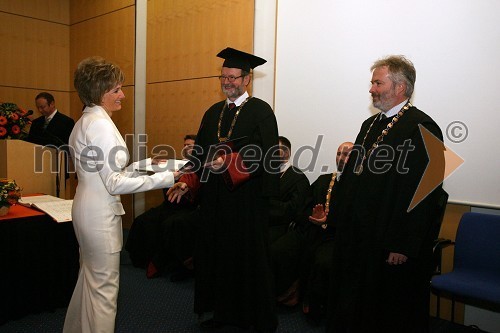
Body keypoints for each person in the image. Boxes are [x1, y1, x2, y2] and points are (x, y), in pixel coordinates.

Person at [63, 56, 183, 333]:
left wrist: (147, 166)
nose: (123, 95)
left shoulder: (86, 121)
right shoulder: (101, 125)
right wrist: (168, 178)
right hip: (99, 216)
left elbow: (108, 172)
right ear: (99, 91)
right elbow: (114, 184)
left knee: (89, 281)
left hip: (86, 208)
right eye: (116, 89)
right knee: (104, 291)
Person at [327, 55, 445, 333]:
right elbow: (353, 176)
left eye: (377, 83)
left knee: (387, 314)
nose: (371, 89)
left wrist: (403, 244)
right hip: (358, 239)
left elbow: (426, 194)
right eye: (372, 83)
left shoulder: (424, 128)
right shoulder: (369, 126)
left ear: (400, 87)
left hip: (389, 242)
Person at [167, 47, 280, 332]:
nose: (227, 82)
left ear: (247, 79)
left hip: (247, 203)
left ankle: (254, 319)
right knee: (217, 257)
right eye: (223, 77)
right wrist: (186, 180)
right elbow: (199, 155)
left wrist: (228, 162)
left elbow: (266, 155)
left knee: (247, 260)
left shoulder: (261, 112)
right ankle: (222, 314)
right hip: (216, 201)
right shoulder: (213, 112)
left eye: (233, 77)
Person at [271, 142, 352, 323]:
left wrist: (329, 220)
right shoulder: (324, 180)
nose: (342, 158)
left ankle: (316, 308)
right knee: (279, 250)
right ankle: (286, 295)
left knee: (323, 262)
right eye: (339, 153)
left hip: (336, 237)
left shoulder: (361, 186)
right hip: (309, 229)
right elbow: (303, 206)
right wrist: (313, 216)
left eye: (347, 154)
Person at [125, 134, 198, 274]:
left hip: (188, 208)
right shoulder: (175, 164)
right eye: (185, 145)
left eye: (191, 145)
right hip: (169, 204)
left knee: (169, 225)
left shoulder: (201, 166)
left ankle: (163, 264)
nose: (188, 148)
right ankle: (141, 260)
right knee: (142, 220)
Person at [268, 135, 311, 243]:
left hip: (281, 228)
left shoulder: (298, 178)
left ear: (287, 153)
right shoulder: (267, 174)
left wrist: (267, 205)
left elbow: (294, 209)